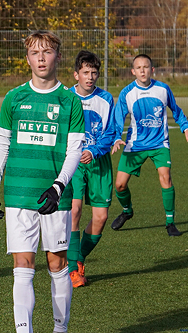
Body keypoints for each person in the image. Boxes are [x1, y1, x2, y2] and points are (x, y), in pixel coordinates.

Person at [0, 30, 85, 333]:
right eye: (35, 53)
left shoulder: (69, 101)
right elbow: (2, 144)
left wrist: (59, 186)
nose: (41, 58)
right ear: (27, 59)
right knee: (22, 266)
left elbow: (74, 150)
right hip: (18, 194)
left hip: (54, 196)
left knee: (57, 263)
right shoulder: (14, 98)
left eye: (48, 52)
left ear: (58, 56)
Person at [110, 54, 188, 236]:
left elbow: (176, 110)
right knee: (119, 185)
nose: (142, 71)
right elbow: (118, 117)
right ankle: (127, 211)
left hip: (160, 144)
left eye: (146, 67)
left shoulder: (163, 89)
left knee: (165, 178)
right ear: (133, 71)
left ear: (152, 70)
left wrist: (186, 128)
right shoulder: (127, 93)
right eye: (138, 68)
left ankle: (170, 222)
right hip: (135, 145)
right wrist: (117, 137)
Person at [67, 50, 116, 288]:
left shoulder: (106, 99)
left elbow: (111, 132)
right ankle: (73, 268)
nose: (90, 77)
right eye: (85, 72)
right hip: (74, 164)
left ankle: (79, 257)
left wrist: (94, 150)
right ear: (76, 74)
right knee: (74, 210)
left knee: (101, 217)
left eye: (94, 73)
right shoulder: (65, 97)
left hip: (99, 162)